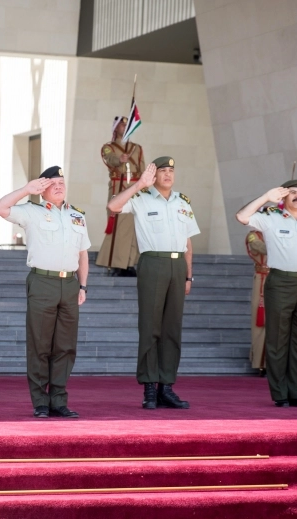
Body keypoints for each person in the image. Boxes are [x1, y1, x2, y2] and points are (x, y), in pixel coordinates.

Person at [0, 166, 89, 418]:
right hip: (42, 282)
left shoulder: (77, 216)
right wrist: (26, 189)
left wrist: (82, 285)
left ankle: (58, 400)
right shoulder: (32, 211)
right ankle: (40, 402)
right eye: (52, 183)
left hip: (69, 284)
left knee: (65, 346)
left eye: (61, 183)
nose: (58, 187)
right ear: (42, 189)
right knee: (40, 344)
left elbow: (82, 254)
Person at [107, 157, 199, 410]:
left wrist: (188, 276)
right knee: (150, 327)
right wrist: (139, 184)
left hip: (177, 266)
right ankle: (149, 386)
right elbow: (113, 206)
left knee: (172, 329)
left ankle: (166, 387)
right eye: (162, 171)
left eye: (171, 170)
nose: (168, 175)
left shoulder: (183, 202)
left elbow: (188, 243)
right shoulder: (141, 198)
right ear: (154, 175)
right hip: (153, 263)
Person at [235, 179, 297, 408]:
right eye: (292, 192)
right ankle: (280, 394)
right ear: (284, 197)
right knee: (277, 339)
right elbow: (242, 217)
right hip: (280, 283)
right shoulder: (271, 218)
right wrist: (266, 197)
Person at [96, 116, 144, 276]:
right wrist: (119, 159)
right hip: (119, 188)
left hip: (136, 190)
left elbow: (142, 170)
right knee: (119, 226)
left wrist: (145, 190)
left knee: (134, 227)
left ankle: (130, 263)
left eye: (127, 125)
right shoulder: (108, 147)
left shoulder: (137, 148)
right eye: (122, 125)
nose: (125, 127)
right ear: (116, 128)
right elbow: (109, 159)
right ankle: (117, 264)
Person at [245, 230, 269, 376]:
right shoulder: (254, 235)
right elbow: (260, 247)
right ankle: (261, 363)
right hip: (263, 279)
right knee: (260, 322)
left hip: (279, 278)